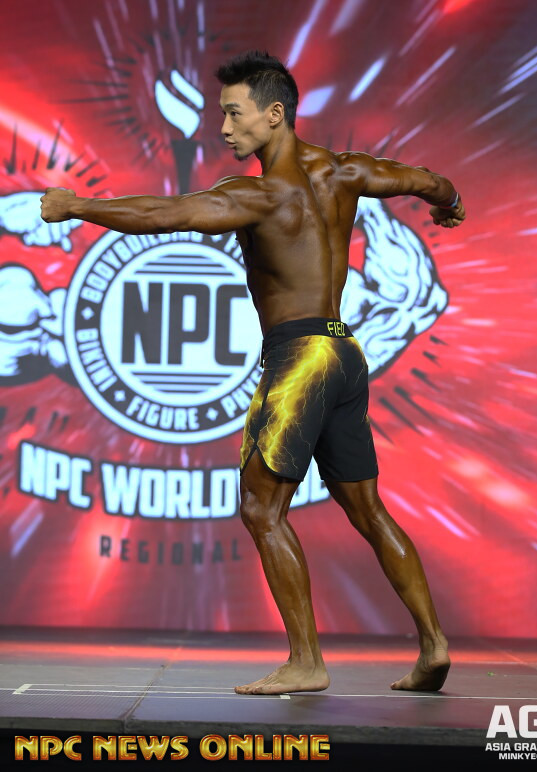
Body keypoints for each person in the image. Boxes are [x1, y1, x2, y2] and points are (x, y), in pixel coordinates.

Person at [41, 50, 465, 696]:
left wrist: (75, 206)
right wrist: (449, 202)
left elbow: (163, 216)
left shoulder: (261, 194)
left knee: (261, 508)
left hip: (300, 358)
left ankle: (306, 661)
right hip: (344, 353)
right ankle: (433, 644)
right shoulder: (346, 171)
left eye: (234, 114)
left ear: (274, 115)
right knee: (368, 509)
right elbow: (423, 180)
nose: (224, 128)